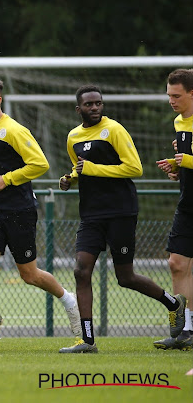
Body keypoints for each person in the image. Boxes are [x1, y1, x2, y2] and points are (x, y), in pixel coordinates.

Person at [57, 85, 186, 353]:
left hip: (121, 211)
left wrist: (90, 169)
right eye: (89, 105)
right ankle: (88, 341)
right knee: (81, 270)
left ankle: (173, 304)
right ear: (78, 108)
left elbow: (134, 167)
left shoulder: (114, 129)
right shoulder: (73, 136)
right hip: (91, 214)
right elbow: (79, 167)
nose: (95, 108)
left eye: (98, 103)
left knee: (125, 277)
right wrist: (71, 178)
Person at [0, 77, 81, 350]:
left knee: (29, 274)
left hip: (19, 211)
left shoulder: (14, 130)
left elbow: (40, 164)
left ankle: (68, 299)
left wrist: (8, 179)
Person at [154, 68, 193, 350]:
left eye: (176, 95)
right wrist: (176, 167)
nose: (171, 100)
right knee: (176, 264)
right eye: (169, 95)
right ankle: (182, 331)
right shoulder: (179, 122)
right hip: (187, 203)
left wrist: (187, 161)